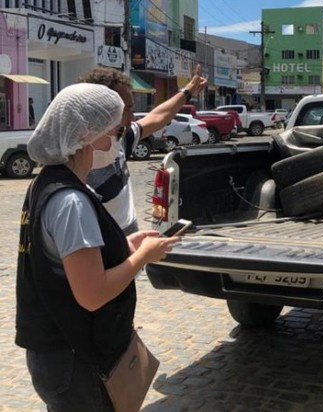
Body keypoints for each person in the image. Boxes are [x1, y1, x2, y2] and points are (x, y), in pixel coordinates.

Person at [15, 83, 181, 411]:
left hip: (57, 351)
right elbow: (92, 294)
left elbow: (71, 258)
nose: (115, 142)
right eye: (113, 132)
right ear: (88, 135)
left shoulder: (49, 183)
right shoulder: (71, 201)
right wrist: (142, 258)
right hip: (72, 358)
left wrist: (126, 246)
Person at [78, 64, 208, 234]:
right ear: (101, 110)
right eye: (127, 109)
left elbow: (157, 116)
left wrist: (188, 90)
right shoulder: (74, 165)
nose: (132, 117)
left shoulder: (120, 140)